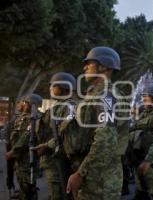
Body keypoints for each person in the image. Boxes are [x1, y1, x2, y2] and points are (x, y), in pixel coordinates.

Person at [66, 46, 129, 200]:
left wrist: (81, 173)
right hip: (92, 175)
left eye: (90, 63)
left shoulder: (105, 95)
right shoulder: (95, 94)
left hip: (100, 180)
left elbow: (105, 141)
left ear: (104, 66)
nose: (84, 67)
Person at [33, 72, 77, 200]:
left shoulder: (69, 106)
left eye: (53, 86)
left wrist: (47, 146)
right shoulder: (57, 106)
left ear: (62, 87)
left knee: (60, 194)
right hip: (52, 159)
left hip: (59, 160)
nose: (50, 89)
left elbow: (67, 133)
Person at [128, 86, 153, 200]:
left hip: (151, 164)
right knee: (141, 193)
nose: (144, 101)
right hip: (138, 161)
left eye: (146, 99)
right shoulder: (142, 115)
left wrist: (148, 160)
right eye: (143, 99)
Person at [5, 93, 42, 200]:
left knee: (27, 185)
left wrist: (12, 151)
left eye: (21, 102)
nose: (19, 104)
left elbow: (26, 138)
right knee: (23, 184)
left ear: (28, 104)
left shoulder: (34, 118)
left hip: (27, 158)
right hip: (21, 158)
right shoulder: (23, 117)